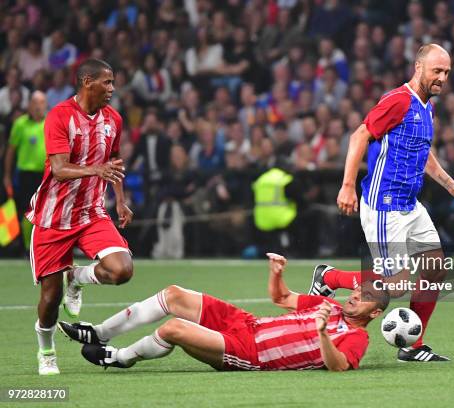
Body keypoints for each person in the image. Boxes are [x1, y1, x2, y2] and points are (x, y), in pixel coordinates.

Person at [311, 44, 454, 362]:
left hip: (410, 203)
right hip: (384, 204)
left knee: (434, 268)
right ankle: (329, 277)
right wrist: (347, 185)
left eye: (446, 72)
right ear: (418, 67)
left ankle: (412, 347)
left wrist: (449, 184)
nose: (442, 77)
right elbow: (359, 135)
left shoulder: (426, 106)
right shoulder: (399, 100)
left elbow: (421, 152)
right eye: (437, 70)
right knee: (396, 286)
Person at [58, 253, 389, 372]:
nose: (356, 294)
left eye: (366, 296)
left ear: (375, 314)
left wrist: (320, 335)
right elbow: (282, 298)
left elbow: (339, 367)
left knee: (174, 328)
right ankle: (100, 333)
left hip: (253, 353)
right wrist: (277, 273)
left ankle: (120, 357)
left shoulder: (357, 337)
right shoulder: (327, 305)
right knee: (174, 294)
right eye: (359, 289)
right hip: (249, 325)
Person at [26, 59, 135, 375]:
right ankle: (46, 350)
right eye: (107, 82)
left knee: (122, 269)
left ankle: (77, 277)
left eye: (113, 82)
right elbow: (59, 170)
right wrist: (95, 169)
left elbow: (113, 161)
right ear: (87, 81)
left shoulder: (113, 119)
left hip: (91, 213)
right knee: (50, 298)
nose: (112, 88)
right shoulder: (59, 115)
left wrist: (120, 201)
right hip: (53, 217)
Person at [3, 91, 48, 251]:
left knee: (45, 211)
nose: (38, 106)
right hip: (26, 175)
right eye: (35, 102)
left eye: (42, 102)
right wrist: (7, 175)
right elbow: (10, 151)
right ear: (29, 105)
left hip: (46, 174)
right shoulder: (20, 124)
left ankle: (43, 245)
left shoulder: (50, 123)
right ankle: (28, 246)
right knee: (27, 210)